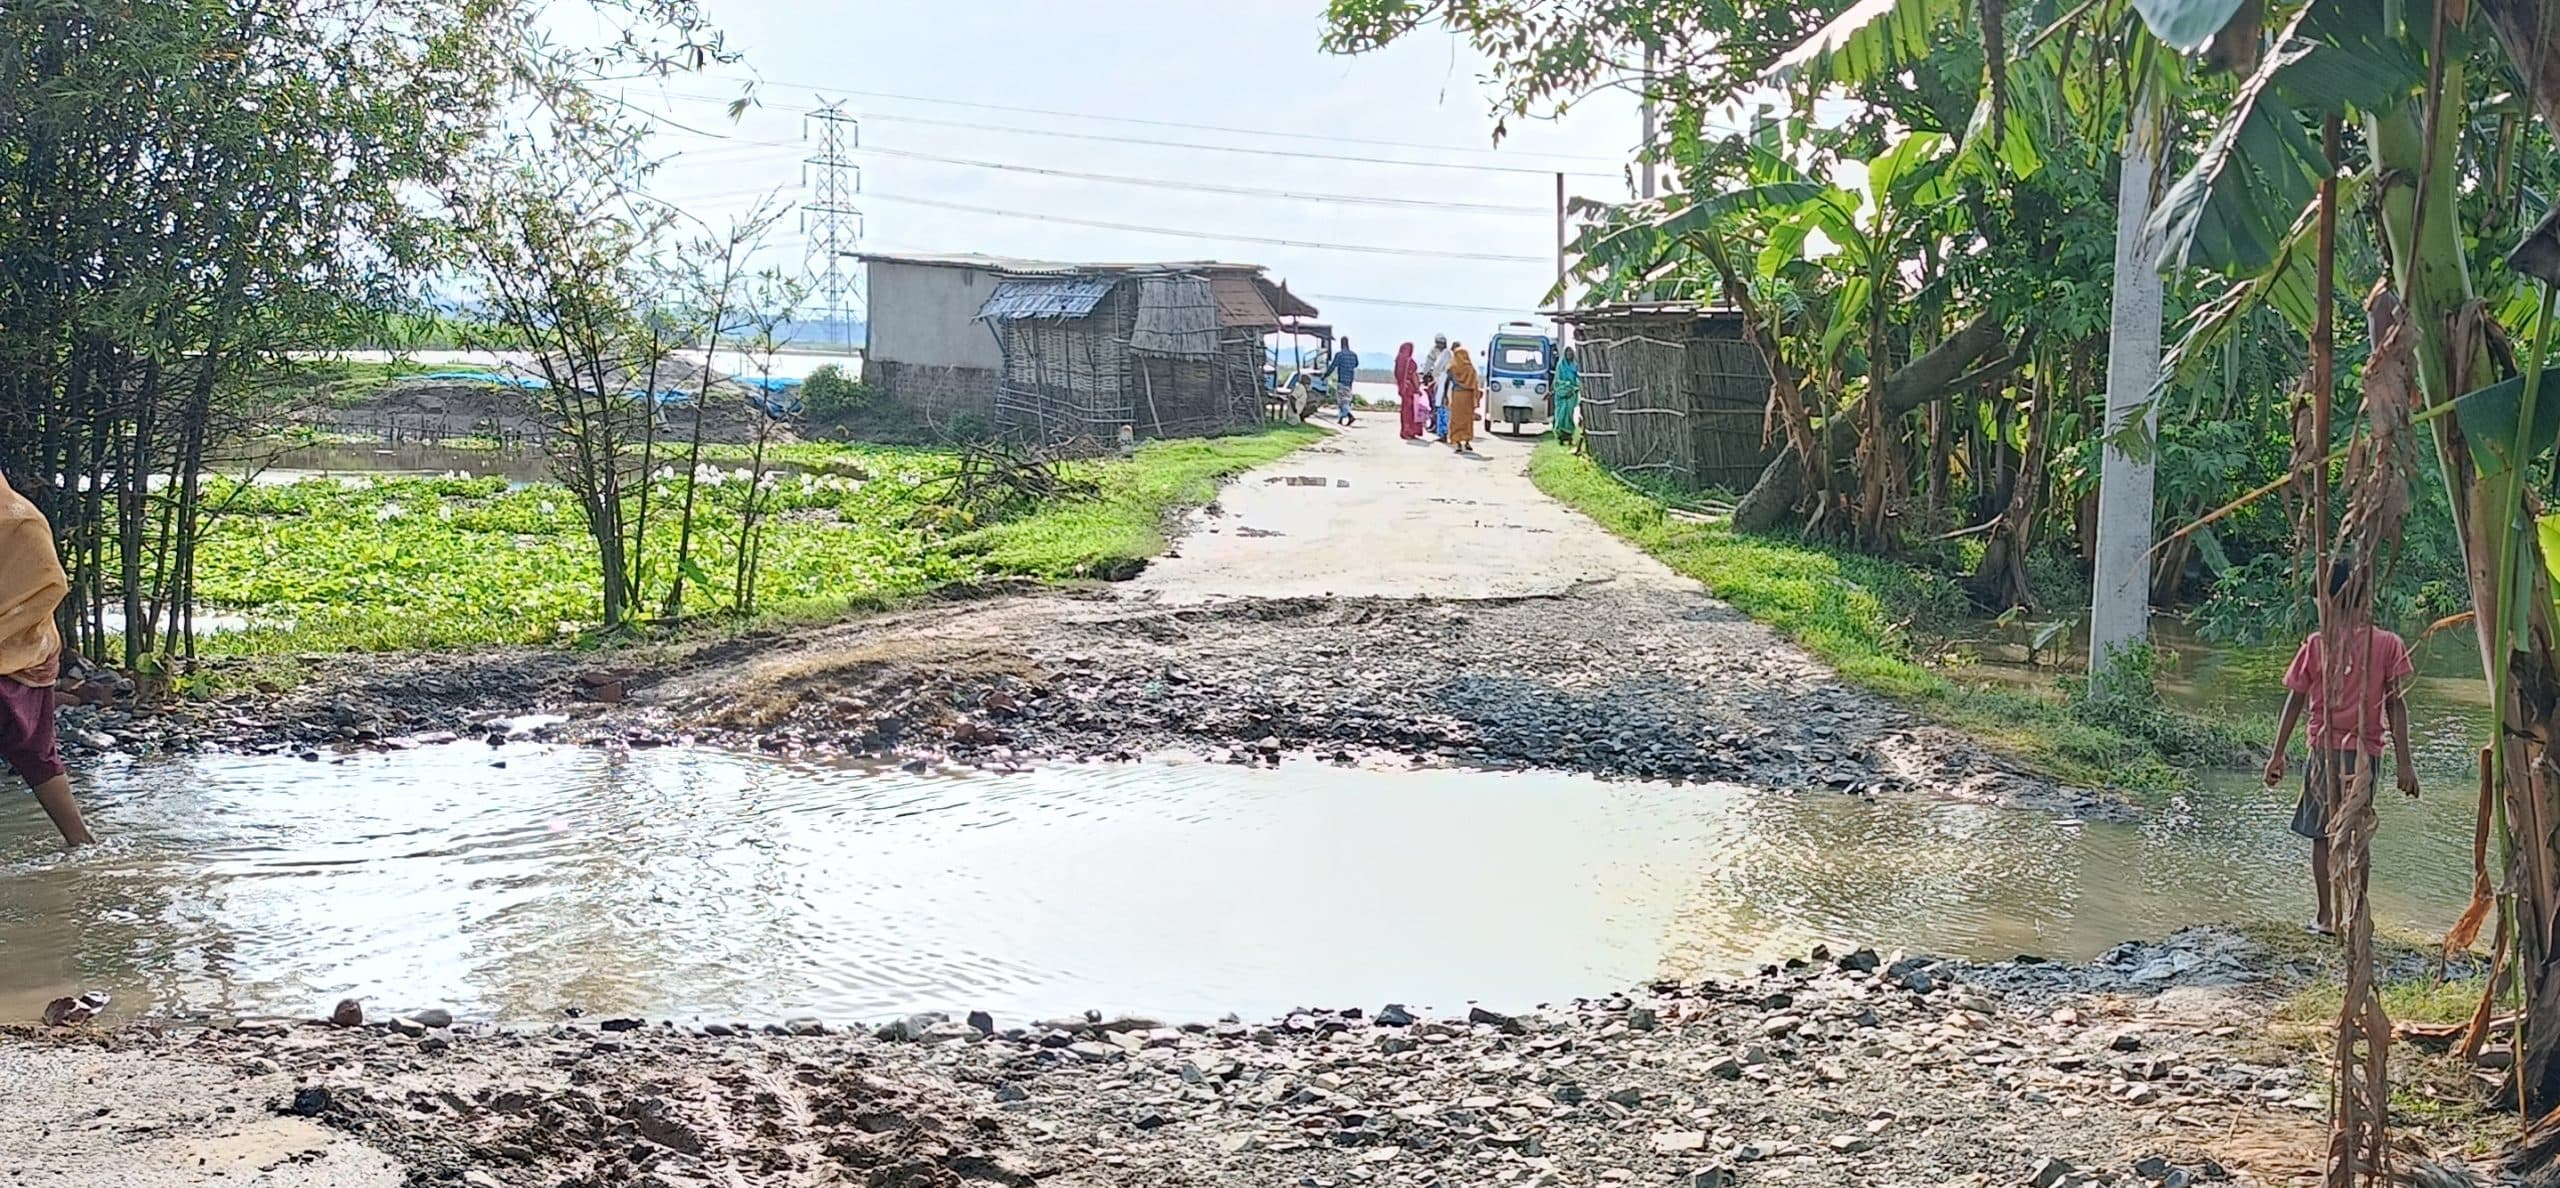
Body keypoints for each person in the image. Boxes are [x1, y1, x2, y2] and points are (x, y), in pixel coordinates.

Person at [2264, 557, 2417, 936]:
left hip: (2325, 752)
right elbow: (2397, 706)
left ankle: (2326, 916)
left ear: (2328, 600)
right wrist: (2405, 763)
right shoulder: (2388, 644)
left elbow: (2295, 701)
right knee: (2356, 832)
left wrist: (2278, 753)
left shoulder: (2318, 644)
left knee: (2322, 833)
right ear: (2366, 598)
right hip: (2366, 755)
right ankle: (2355, 913)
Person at [1, 479, 93, 847]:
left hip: (21, 653)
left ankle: (80, 842)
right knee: (37, 754)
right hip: (23, 657)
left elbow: (48, 586)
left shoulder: (21, 521)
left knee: (37, 753)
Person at [1446, 344, 1483, 454]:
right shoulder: (1471, 369)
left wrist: (1444, 397)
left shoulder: (1452, 368)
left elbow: (1447, 382)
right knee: (1467, 419)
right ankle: (1467, 441)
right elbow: (1475, 384)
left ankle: (1457, 442)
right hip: (1468, 396)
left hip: (1457, 395)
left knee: (1456, 419)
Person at [1393, 342, 1426, 440]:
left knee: (1405, 410)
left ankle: (1405, 430)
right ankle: (1411, 431)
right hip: (1410, 388)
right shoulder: (1409, 361)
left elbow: (1397, 375)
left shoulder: (1398, 360)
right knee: (1411, 410)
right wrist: (1417, 388)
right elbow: (1413, 375)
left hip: (1403, 387)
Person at [1421, 335, 1451, 440]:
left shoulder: (1447, 353)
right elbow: (1429, 363)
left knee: (1441, 405)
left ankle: (1443, 430)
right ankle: (1437, 426)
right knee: (1436, 404)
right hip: (1438, 381)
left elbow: (1438, 368)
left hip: (1444, 381)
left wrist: (1432, 374)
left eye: (1442, 343)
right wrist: (1425, 374)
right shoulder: (1434, 351)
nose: (1440, 345)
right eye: (1438, 343)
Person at [1552, 347, 1582, 443]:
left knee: (1569, 414)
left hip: (1572, 394)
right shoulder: (1560, 366)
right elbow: (1557, 381)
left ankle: (1569, 434)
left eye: (1571, 353)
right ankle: (1560, 435)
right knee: (1560, 414)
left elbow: (1578, 379)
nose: (1569, 355)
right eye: (1567, 353)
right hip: (1561, 394)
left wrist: (1573, 388)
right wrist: (1566, 385)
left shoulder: (1575, 366)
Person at [1329, 338, 1361, 426]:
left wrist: (1325, 375)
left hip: (1342, 380)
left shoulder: (1339, 355)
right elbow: (1356, 364)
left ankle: (1350, 416)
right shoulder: (1353, 355)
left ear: (1341, 344)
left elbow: (1333, 366)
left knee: (1341, 401)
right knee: (1346, 400)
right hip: (1350, 381)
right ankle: (1340, 419)